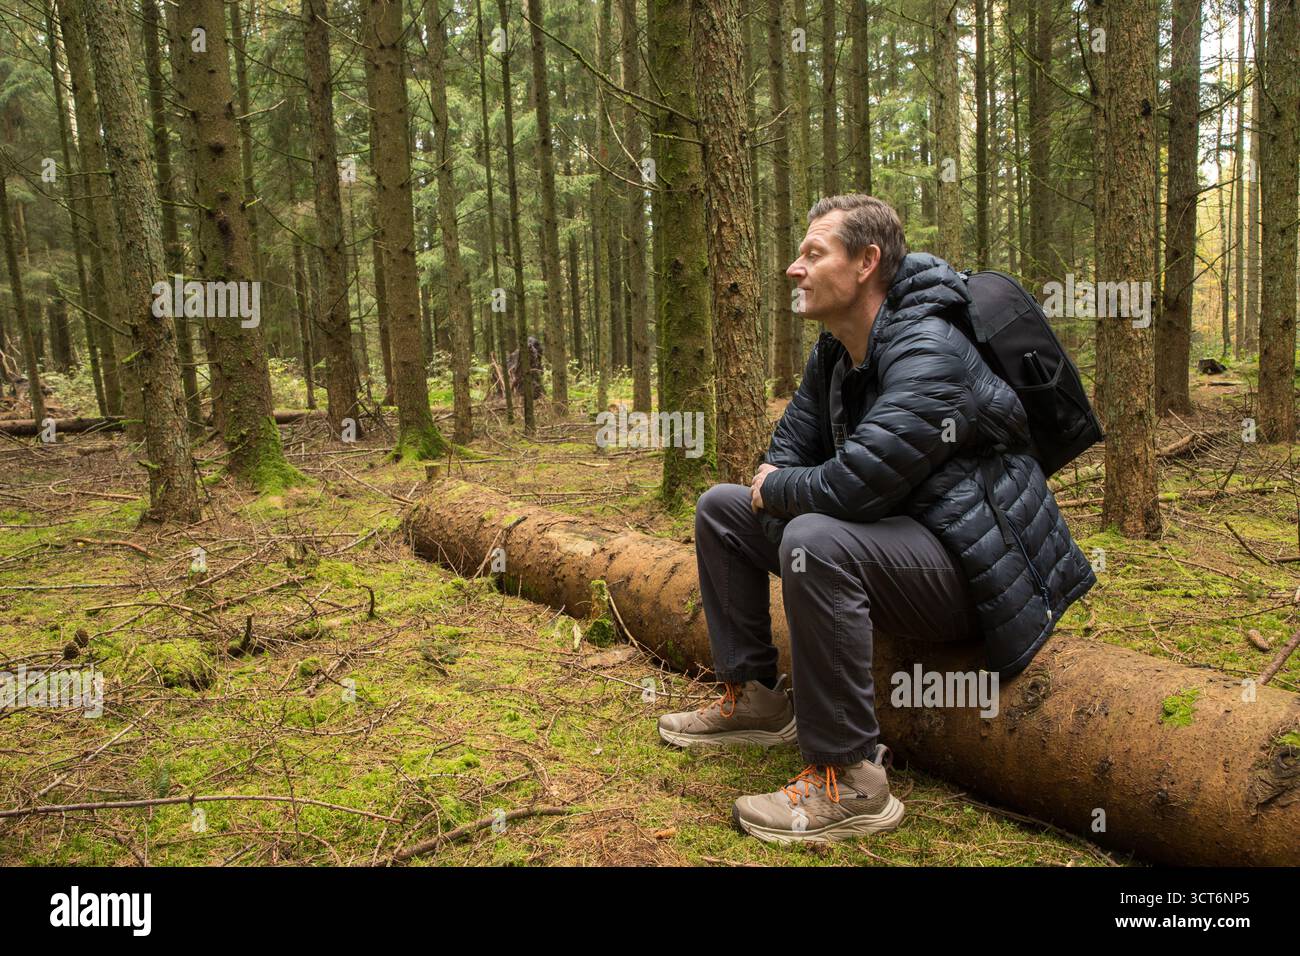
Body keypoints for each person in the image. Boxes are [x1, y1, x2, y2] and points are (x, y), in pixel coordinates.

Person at [656, 194, 1095, 844]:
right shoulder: (834, 354)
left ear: (866, 262)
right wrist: (788, 496)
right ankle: (758, 698)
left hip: (976, 575)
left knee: (814, 536)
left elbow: (853, 487)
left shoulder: (931, 352)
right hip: (901, 545)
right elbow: (779, 464)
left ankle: (851, 779)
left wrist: (791, 500)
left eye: (813, 253)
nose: (792, 268)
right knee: (722, 508)